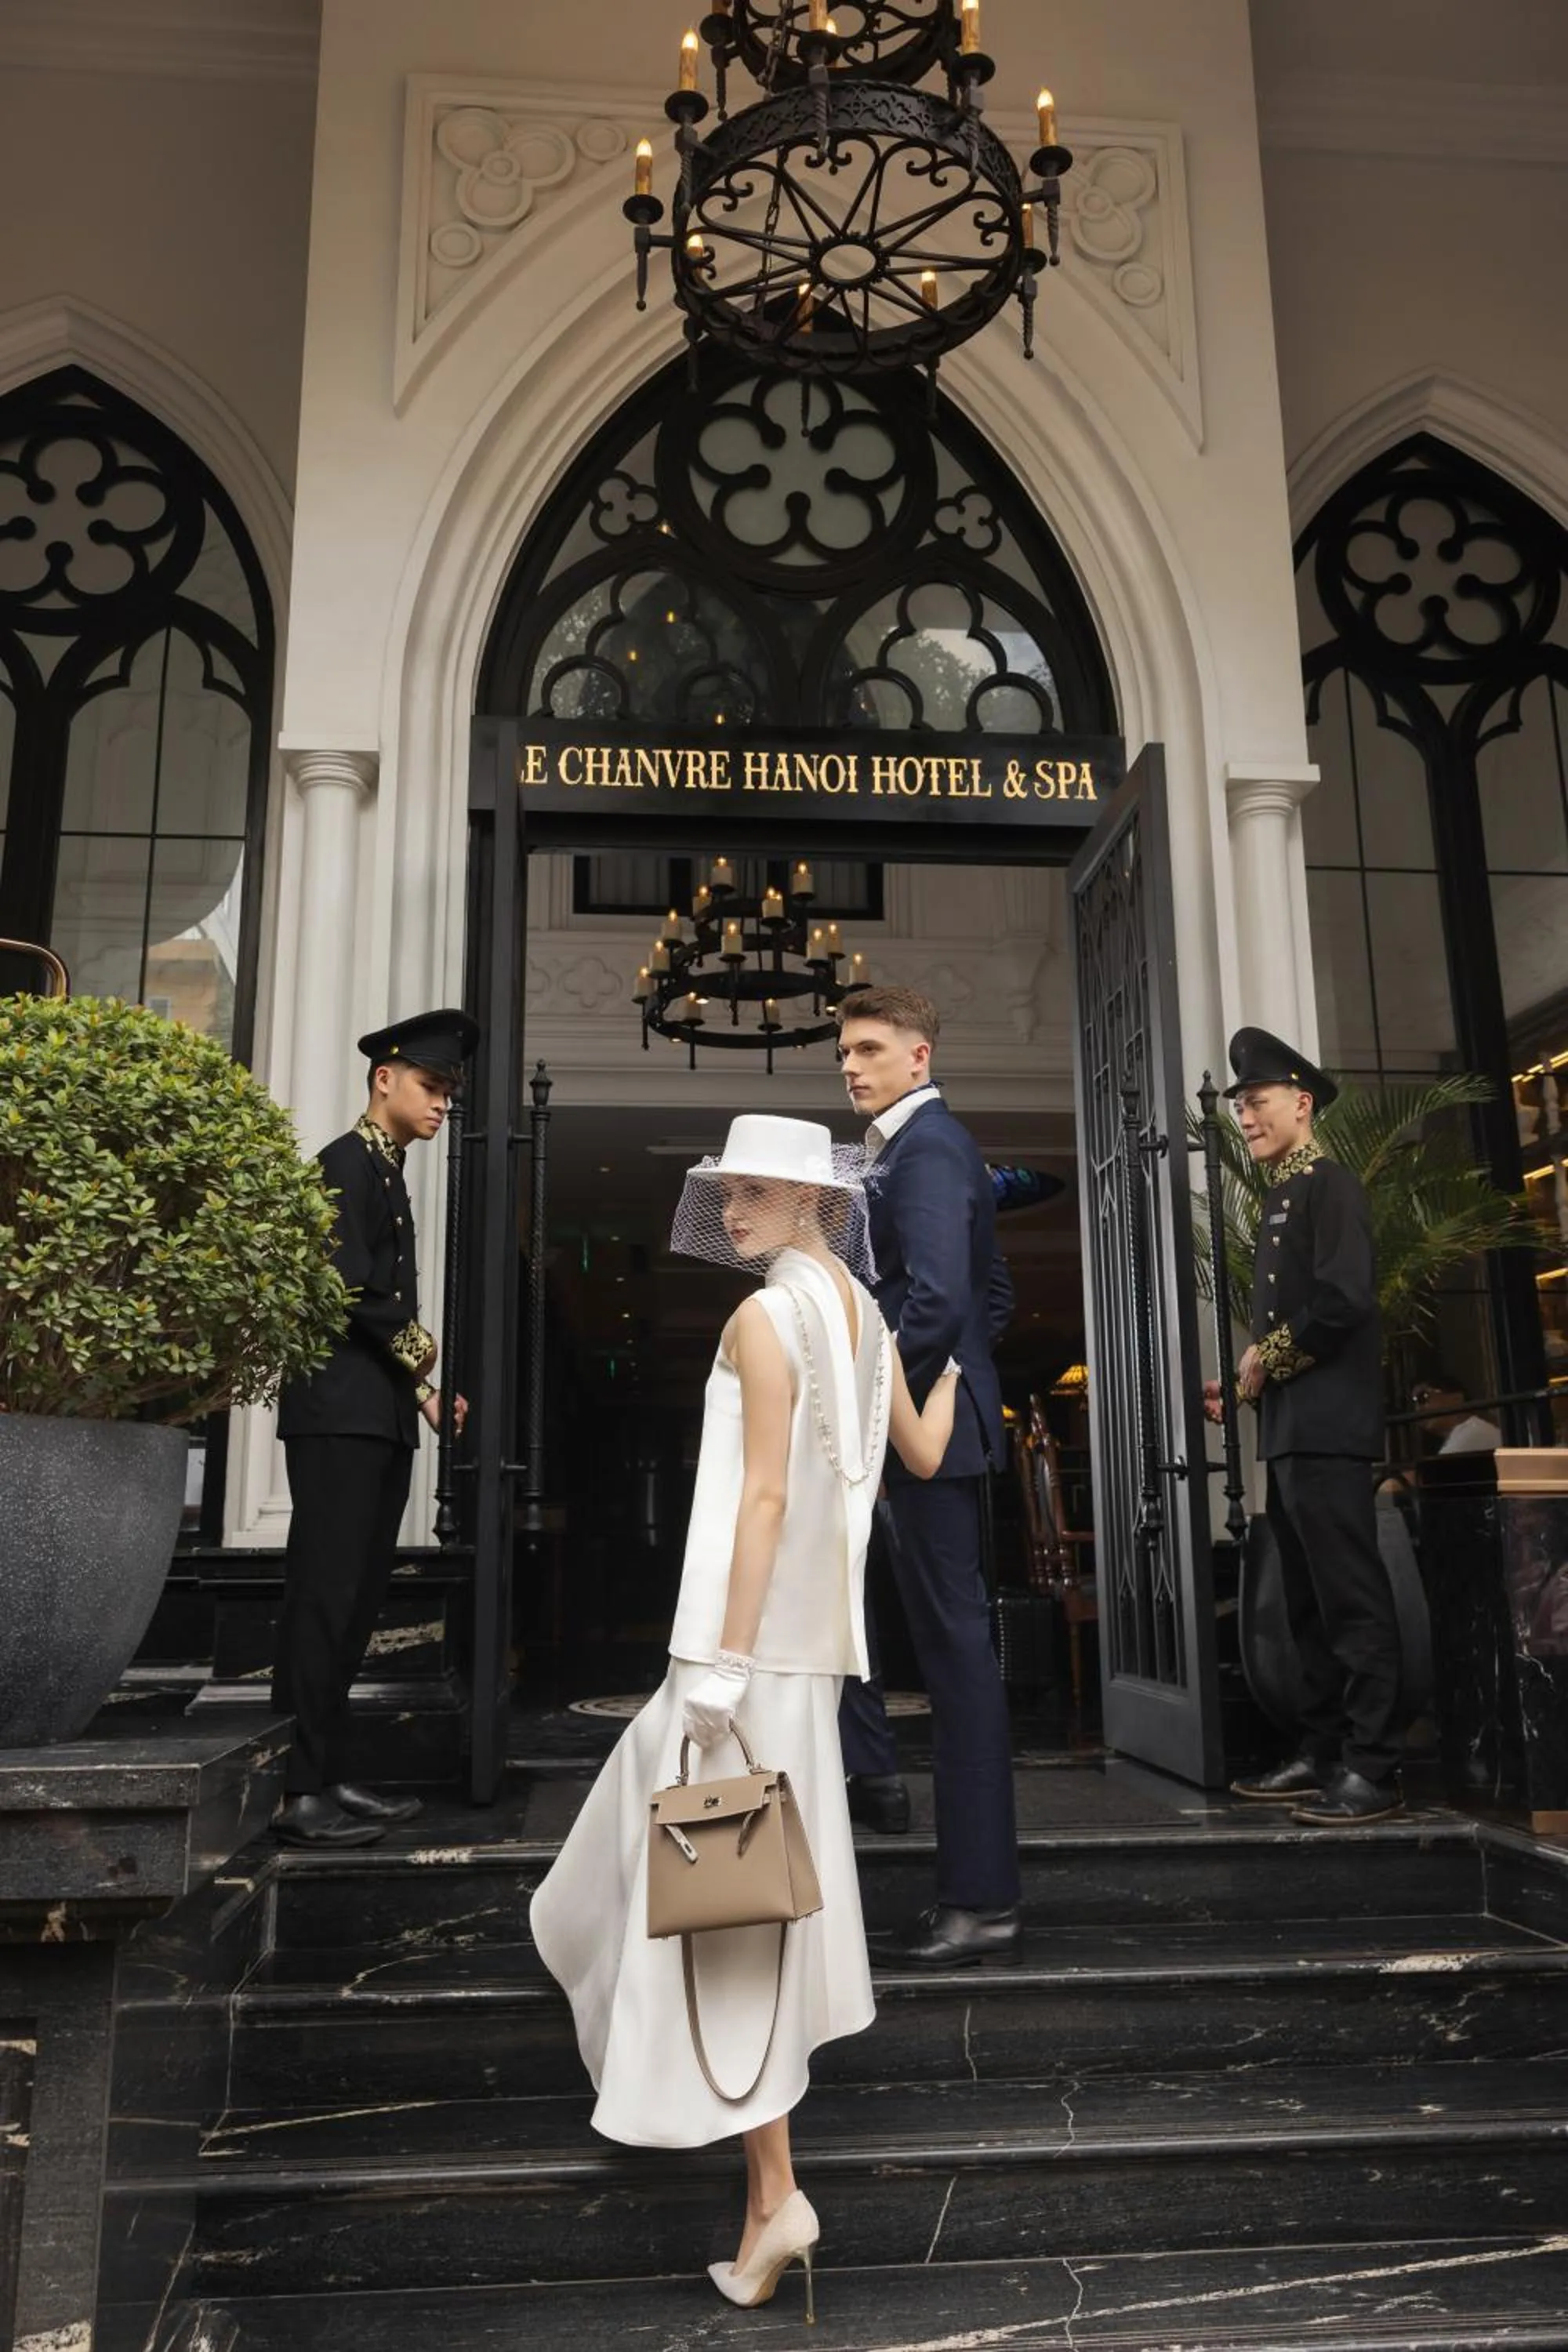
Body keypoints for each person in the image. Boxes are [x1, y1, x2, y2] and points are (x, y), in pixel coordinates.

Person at [531, 1116, 957, 2311]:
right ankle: (769, 2192)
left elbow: (763, 1498)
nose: (734, 1212)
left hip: (745, 1656)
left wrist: (717, 1667)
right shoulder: (865, 1320)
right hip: (809, 1664)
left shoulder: (766, 1316)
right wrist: (962, 1363)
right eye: (727, 1192)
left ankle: (774, 2193)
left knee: (720, 1907)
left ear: (818, 1201)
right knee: (720, 1898)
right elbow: (920, 1454)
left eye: (759, 1192)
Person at [834, 986, 1020, 1963]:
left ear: (919, 1056)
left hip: (923, 1443)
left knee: (956, 1668)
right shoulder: (910, 1151)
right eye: (843, 1055)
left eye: (868, 1049)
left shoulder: (928, 1146)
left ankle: (981, 1899)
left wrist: (899, 1412)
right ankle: (974, 1891)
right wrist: (957, 1378)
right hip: (935, 1429)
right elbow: (987, 1295)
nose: (851, 1067)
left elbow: (944, 1300)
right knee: (946, 1661)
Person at [271, 1007, 478, 1849]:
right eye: (431, 1088)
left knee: (354, 1604)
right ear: (384, 1078)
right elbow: (355, 1293)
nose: (441, 1106)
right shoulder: (342, 1165)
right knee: (324, 1600)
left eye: (449, 1094)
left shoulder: (382, 1171)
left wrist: (421, 1396)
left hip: (375, 1414)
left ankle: (323, 1775)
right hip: (338, 1417)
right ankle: (293, 1787)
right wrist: (427, 1369)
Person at [1206, 1027, 1404, 1827]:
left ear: (1299, 1101)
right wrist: (1247, 1385)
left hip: (1326, 1431)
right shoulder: (1283, 1193)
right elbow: (1307, 1318)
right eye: (1241, 1108)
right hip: (1292, 1427)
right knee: (1306, 1606)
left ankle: (1372, 1768)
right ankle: (1321, 1753)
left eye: (1254, 1103)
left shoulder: (1328, 1185)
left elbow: (1344, 1303)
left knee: (1350, 1602)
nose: (1244, 1119)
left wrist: (1267, 1358)